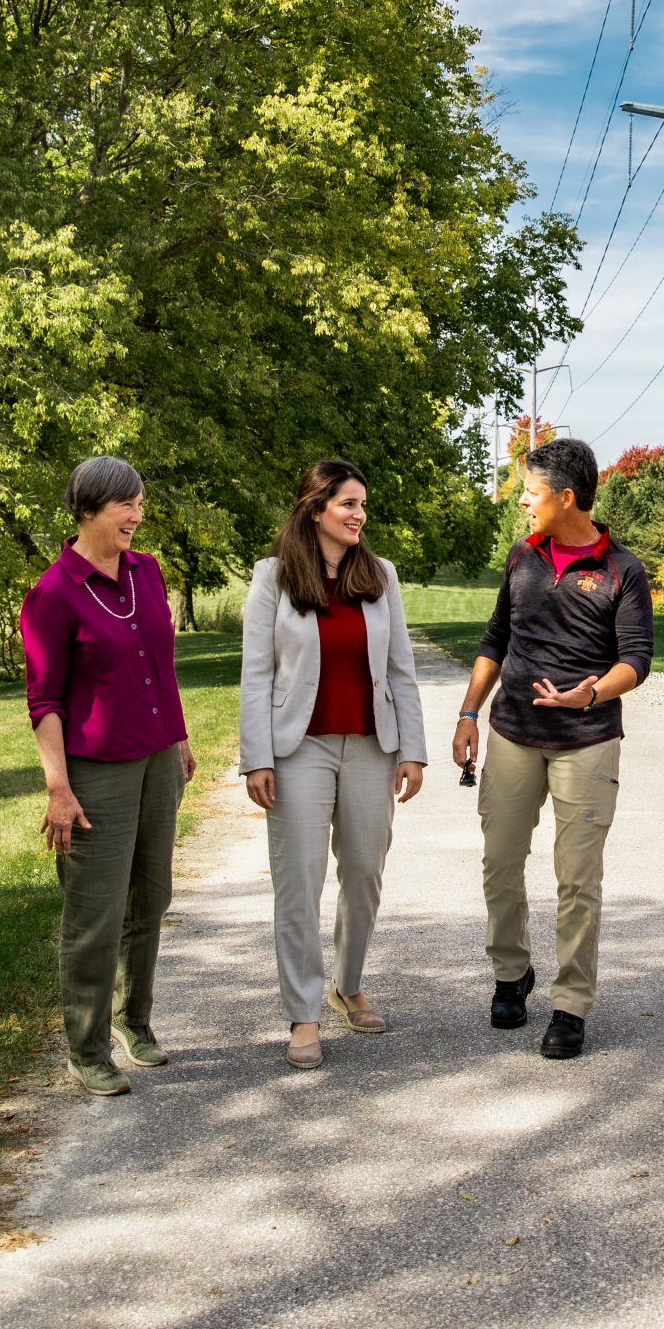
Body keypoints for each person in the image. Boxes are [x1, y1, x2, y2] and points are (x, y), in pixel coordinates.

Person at [451, 437, 652, 1061]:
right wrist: (468, 713)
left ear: (566, 498)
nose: (524, 505)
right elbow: (494, 640)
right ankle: (511, 973)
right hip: (512, 732)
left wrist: (590, 695)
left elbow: (636, 661)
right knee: (501, 862)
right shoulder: (522, 558)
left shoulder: (624, 569)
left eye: (532, 493)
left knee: (577, 878)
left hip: (586, 741)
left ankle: (570, 1005)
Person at [239, 459, 427, 1071]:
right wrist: (256, 757)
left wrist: (413, 749)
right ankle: (303, 1013)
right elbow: (256, 674)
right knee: (299, 881)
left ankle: (349, 984)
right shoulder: (273, 578)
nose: (358, 515)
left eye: (362, 505)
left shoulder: (381, 575)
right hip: (300, 749)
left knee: (366, 870)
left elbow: (401, 667)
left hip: (372, 745)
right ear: (316, 508)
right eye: (347, 503)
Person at [21, 457, 196, 1098]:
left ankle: (135, 1021)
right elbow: (45, 702)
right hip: (96, 772)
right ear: (90, 509)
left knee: (151, 898)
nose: (137, 515)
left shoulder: (146, 572)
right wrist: (58, 788)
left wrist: (177, 737)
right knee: (94, 912)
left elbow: (160, 665)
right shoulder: (53, 594)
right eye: (126, 505)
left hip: (157, 761)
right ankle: (87, 1047)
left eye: (140, 502)